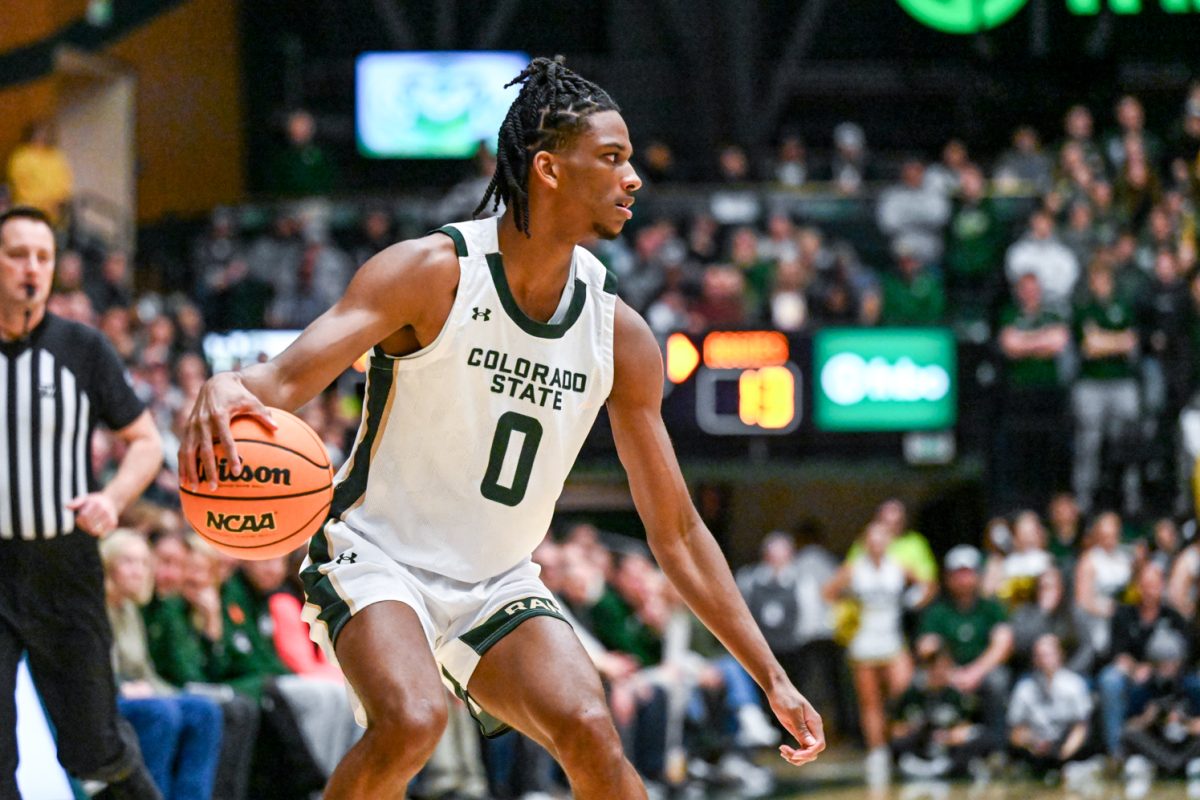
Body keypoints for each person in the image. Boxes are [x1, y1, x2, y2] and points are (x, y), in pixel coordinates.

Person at [179, 57, 824, 800]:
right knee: (413, 719)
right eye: (612, 158)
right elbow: (281, 383)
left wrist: (771, 677)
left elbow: (676, 532)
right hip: (376, 555)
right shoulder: (431, 272)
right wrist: (231, 385)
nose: (634, 178)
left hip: (496, 580)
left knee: (591, 727)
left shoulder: (623, 335)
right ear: (548, 169)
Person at [0, 206, 163, 798]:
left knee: (94, 745)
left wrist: (113, 498)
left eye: (42, 257)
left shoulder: (82, 348)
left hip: (63, 567)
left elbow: (145, 442)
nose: (32, 268)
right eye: (17, 254)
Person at [101, 530, 224, 800]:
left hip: (140, 696)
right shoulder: (95, 608)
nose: (138, 571)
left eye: (144, 563)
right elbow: (90, 675)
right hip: (105, 700)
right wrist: (123, 689)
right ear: (108, 564)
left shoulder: (129, 609)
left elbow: (146, 672)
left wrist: (173, 694)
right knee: (161, 713)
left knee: (204, 711)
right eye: (128, 562)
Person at [824, 522, 933, 785]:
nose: (876, 544)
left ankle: (905, 747)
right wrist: (847, 606)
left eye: (881, 539)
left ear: (888, 542)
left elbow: (928, 585)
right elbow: (828, 591)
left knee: (904, 694)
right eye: (872, 539)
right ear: (865, 542)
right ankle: (878, 751)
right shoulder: (855, 568)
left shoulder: (897, 566)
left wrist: (913, 601)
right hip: (864, 642)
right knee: (870, 702)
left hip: (892, 641)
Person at [1007, 634, 1096, 781]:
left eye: (1048, 655)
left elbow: (1082, 727)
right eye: (1039, 655)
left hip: (1067, 748)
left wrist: (1063, 753)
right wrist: (1033, 743)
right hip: (1035, 749)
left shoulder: (1075, 684)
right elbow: (1014, 732)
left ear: (1060, 655)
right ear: (1034, 659)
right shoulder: (1024, 688)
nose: (1044, 660)